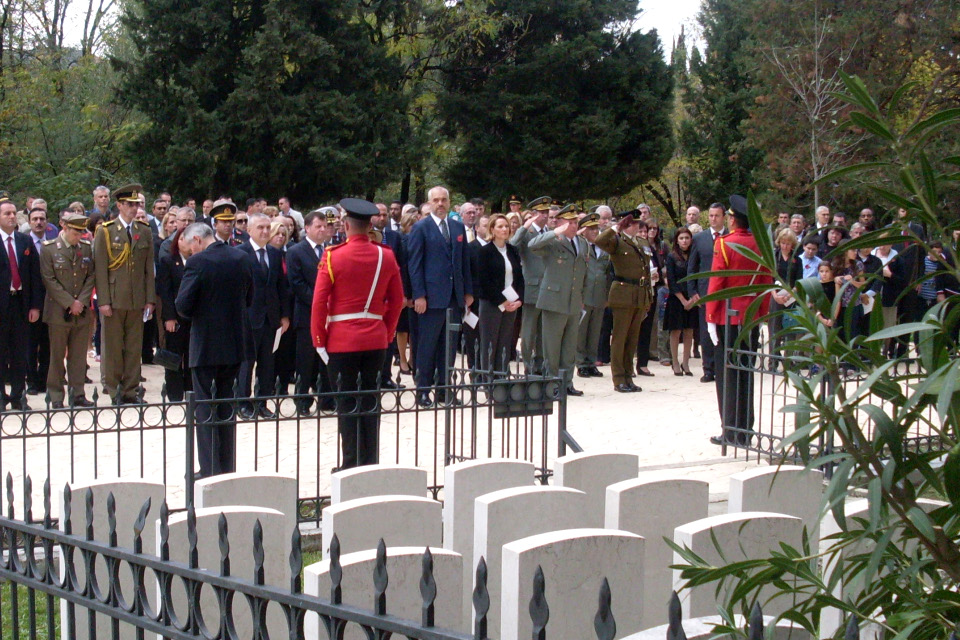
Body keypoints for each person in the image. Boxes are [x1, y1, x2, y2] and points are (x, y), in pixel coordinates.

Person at [311, 198, 404, 469]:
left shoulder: (332, 255)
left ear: (347, 225)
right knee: (370, 402)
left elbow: (319, 302)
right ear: (369, 225)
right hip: (375, 338)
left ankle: (351, 462)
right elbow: (396, 301)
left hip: (341, 341)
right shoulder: (385, 255)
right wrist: (385, 333)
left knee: (347, 403)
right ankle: (370, 461)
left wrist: (319, 340)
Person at [176, 221, 253, 478]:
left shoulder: (198, 263)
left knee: (206, 408)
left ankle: (210, 468)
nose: (190, 253)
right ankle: (227, 467)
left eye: (189, 248)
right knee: (226, 406)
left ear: (197, 240)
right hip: (234, 344)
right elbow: (249, 297)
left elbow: (183, 306)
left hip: (206, 345)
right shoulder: (241, 257)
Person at [706, 195, 772, 446]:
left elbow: (717, 283)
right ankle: (745, 429)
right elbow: (766, 281)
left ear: (733, 220)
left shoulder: (725, 244)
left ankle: (731, 430)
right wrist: (763, 313)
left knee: (728, 376)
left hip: (728, 315)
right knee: (746, 373)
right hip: (751, 316)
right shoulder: (761, 244)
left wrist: (711, 316)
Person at [406, 186, 473, 407]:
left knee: (449, 346)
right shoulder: (420, 228)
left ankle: (445, 390)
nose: (441, 203)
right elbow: (414, 265)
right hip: (430, 298)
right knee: (426, 346)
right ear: (430, 202)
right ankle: (423, 391)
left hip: (454, 297)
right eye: (436, 200)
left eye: (444, 199)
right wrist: (419, 295)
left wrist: (467, 292)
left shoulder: (457, 226)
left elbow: (463, 263)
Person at [93, 184, 156, 404]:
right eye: (129, 204)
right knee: (112, 348)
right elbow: (100, 268)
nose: (133, 208)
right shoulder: (106, 231)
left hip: (136, 299)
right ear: (119, 205)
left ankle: (131, 390)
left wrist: (150, 299)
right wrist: (103, 300)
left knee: (133, 348)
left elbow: (149, 269)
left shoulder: (144, 230)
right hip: (114, 298)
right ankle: (114, 390)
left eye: (136, 204)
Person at [528, 205, 588, 396]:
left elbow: (582, 272)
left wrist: (582, 297)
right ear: (560, 223)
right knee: (551, 347)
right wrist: (554, 232)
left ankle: (567, 382)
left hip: (573, 301)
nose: (573, 225)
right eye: (569, 222)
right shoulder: (554, 241)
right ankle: (552, 384)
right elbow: (532, 245)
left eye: (575, 222)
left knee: (569, 347)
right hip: (554, 300)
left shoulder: (582, 242)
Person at [236, 212, 291, 417]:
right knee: (246, 363)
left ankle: (262, 402)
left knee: (267, 363)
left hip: (271, 318)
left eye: (268, 227)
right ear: (249, 230)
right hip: (249, 317)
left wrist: (284, 315)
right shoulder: (240, 252)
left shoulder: (275, 254)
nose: (265, 231)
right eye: (260, 227)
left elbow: (281, 287)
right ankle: (242, 402)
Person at [40, 212, 95, 408]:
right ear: (64, 228)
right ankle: (56, 395)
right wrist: (69, 302)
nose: (78, 236)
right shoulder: (49, 249)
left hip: (81, 312)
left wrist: (80, 301)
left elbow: (91, 277)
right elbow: (49, 279)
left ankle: (77, 393)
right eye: (75, 232)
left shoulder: (87, 249)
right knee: (56, 356)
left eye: (81, 232)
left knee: (78, 356)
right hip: (58, 311)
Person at [595, 212, 652, 393]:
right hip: (623, 293)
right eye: (633, 224)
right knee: (619, 338)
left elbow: (646, 271)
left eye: (638, 224)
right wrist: (615, 227)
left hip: (639, 294)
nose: (637, 227)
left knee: (632, 338)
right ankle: (619, 378)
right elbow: (599, 241)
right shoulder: (617, 241)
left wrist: (648, 297)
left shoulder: (641, 242)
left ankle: (629, 376)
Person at [0, 197, 43, 411]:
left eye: (13, 213)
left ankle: (18, 396)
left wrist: (35, 306)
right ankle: (1, 397)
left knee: (20, 353)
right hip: (1, 305)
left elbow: (35, 276)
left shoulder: (24, 241)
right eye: (6, 213)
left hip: (20, 304)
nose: (11, 217)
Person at [477, 213, 525, 378]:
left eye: (506, 226)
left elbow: (519, 278)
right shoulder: (485, 251)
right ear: (492, 229)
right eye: (500, 226)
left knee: (505, 341)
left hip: (511, 303)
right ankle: (488, 378)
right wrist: (502, 301)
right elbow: (484, 281)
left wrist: (519, 300)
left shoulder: (512, 250)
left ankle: (502, 376)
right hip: (492, 303)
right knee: (490, 342)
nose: (504, 229)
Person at [509, 196, 551, 375]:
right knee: (528, 331)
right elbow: (512, 245)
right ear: (533, 215)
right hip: (532, 287)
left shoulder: (549, 231)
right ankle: (528, 363)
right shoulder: (526, 233)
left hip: (548, 288)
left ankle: (540, 363)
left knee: (544, 330)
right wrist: (524, 227)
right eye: (541, 213)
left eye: (546, 212)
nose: (545, 216)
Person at [689, 203, 727, 383]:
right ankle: (708, 368)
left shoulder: (730, 236)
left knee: (723, 329)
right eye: (711, 215)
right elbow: (693, 266)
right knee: (705, 332)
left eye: (717, 216)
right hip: (705, 292)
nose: (713, 219)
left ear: (724, 217)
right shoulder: (700, 238)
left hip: (726, 291)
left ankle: (724, 367)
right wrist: (693, 290)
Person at [25, 206, 57, 396]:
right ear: (29, 222)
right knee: (30, 344)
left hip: (51, 301)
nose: (39, 222)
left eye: (42, 219)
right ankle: (31, 381)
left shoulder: (53, 243)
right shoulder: (24, 242)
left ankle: (44, 380)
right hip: (30, 303)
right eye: (35, 219)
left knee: (48, 344)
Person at [576, 213, 608, 378]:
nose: (595, 231)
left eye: (596, 228)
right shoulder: (581, 246)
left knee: (595, 332)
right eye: (591, 229)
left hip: (599, 295)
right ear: (583, 230)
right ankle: (581, 363)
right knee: (582, 332)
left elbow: (607, 271)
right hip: (585, 295)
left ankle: (591, 361)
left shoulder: (602, 247)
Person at [664, 227, 698, 376]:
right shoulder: (671, 256)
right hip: (676, 298)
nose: (684, 241)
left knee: (689, 330)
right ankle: (675, 362)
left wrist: (692, 298)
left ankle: (686, 362)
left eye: (687, 238)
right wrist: (683, 300)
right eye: (681, 238)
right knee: (676, 331)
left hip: (692, 296)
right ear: (677, 240)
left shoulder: (694, 255)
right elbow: (671, 280)